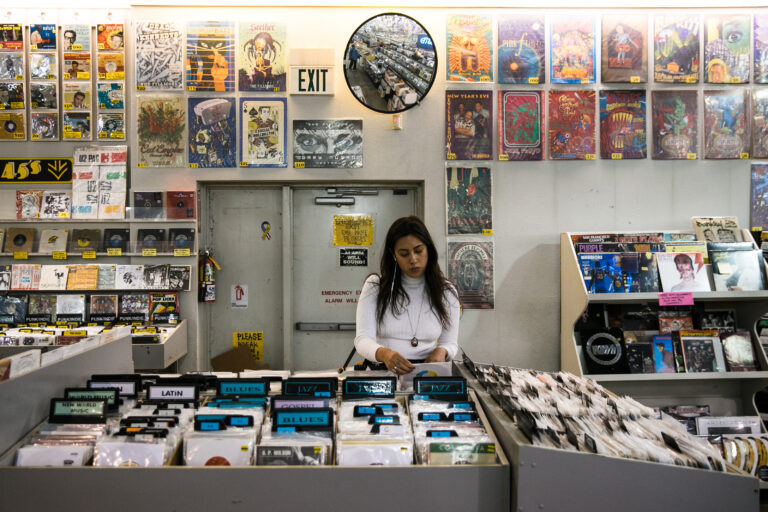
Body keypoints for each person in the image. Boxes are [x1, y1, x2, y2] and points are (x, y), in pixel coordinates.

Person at [354, 216, 460, 374]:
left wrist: (442, 351)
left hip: (426, 374)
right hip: (382, 372)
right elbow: (362, 340)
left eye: (418, 251)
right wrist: (385, 354)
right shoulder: (375, 287)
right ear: (394, 255)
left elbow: (450, 342)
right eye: (404, 254)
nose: (413, 259)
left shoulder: (446, 291)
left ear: (428, 249)